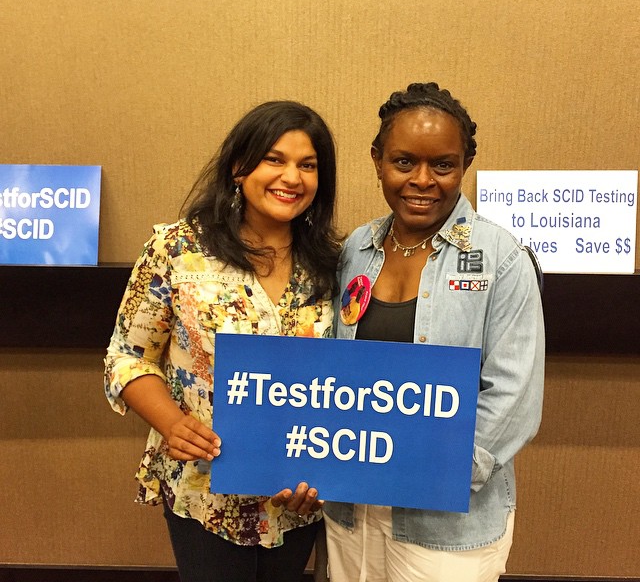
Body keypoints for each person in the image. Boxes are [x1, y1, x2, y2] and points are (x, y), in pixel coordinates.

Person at [104, 100, 341, 582]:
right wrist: (172, 423)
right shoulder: (177, 249)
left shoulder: (335, 265)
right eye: (274, 159)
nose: (292, 177)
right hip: (205, 488)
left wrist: (327, 468)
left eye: (308, 165)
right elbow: (127, 358)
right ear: (239, 166)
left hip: (297, 494)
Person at [323, 83, 544, 582]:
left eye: (442, 165)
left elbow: (513, 396)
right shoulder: (357, 247)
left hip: (446, 516)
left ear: (464, 163)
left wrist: (432, 472)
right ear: (377, 160)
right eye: (404, 162)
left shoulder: (501, 258)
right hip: (352, 508)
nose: (422, 180)